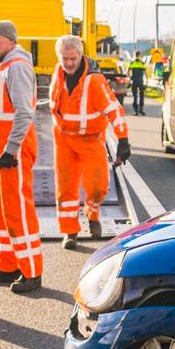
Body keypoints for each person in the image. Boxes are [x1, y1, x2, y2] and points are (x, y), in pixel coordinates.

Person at [0, 20, 43, 293]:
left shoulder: (17, 67)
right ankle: (8, 265)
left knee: (18, 211)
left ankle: (32, 272)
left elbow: (24, 113)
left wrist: (10, 149)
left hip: (12, 153)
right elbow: (0, 114)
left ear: (12, 41)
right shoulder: (1, 67)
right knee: (0, 211)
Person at [50, 34, 130, 246]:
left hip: (91, 139)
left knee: (98, 186)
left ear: (80, 55)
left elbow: (115, 109)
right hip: (64, 139)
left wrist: (123, 140)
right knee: (65, 188)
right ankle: (70, 232)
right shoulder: (56, 75)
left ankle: (92, 214)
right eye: (64, 59)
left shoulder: (94, 81)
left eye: (72, 59)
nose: (68, 63)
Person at [127, 50, 147, 116]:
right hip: (140, 82)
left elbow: (128, 72)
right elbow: (145, 74)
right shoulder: (142, 63)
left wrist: (130, 79)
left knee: (135, 97)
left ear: (135, 55)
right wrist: (146, 83)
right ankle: (141, 110)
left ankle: (136, 111)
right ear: (140, 55)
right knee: (141, 96)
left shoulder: (132, 63)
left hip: (134, 82)